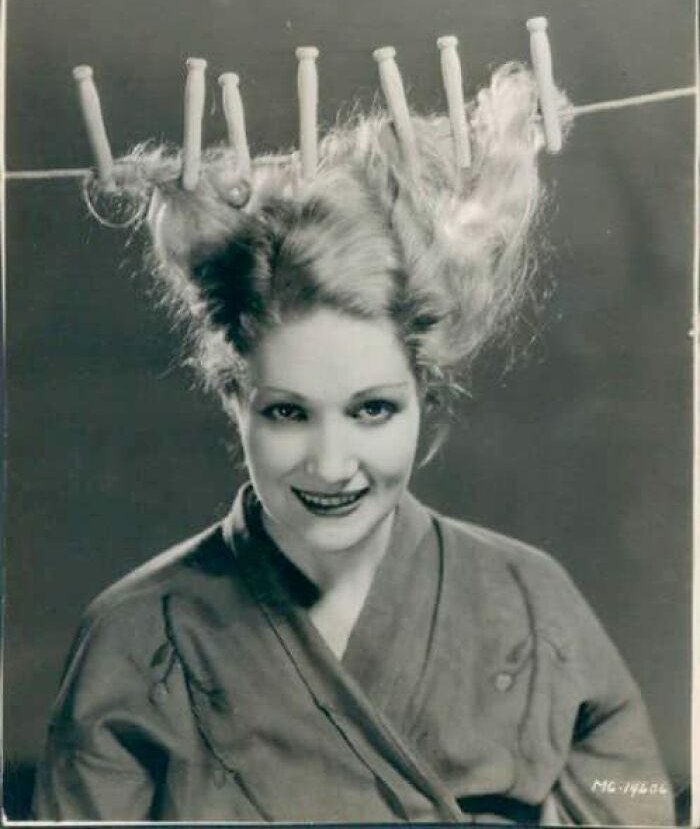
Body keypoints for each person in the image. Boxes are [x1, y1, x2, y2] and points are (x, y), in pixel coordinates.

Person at [32, 57, 673, 825]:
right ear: (234, 400)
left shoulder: (531, 605)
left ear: (426, 405)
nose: (331, 465)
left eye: (371, 410)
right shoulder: (136, 638)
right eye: (288, 413)